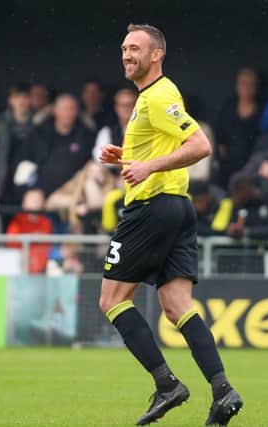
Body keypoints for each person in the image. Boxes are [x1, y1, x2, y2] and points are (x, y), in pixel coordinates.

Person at [97, 24, 242, 426]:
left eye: (135, 49)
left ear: (156, 54)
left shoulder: (160, 95)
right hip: (177, 208)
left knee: (111, 300)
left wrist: (147, 167)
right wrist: (128, 156)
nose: (127, 55)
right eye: (124, 49)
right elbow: (163, 147)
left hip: (152, 208)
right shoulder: (150, 99)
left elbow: (200, 146)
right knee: (178, 307)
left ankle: (167, 385)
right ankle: (222, 390)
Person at [32, 94, 95, 197]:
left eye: (72, 109)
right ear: (55, 111)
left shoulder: (85, 135)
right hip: (41, 189)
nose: (68, 113)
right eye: (64, 109)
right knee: (33, 202)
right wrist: (33, 189)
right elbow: (26, 163)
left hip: (74, 190)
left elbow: (90, 164)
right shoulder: (40, 133)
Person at [0, 83, 36, 205]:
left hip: (29, 180)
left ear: (30, 100)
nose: (21, 101)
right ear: (10, 100)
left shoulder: (37, 124)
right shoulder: (0, 124)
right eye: (17, 97)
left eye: (25, 97)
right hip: (5, 180)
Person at [214, 68, 261, 189]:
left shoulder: (263, 110)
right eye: (243, 83)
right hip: (228, 165)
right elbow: (219, 134)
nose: (246, 87)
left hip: (252, 165)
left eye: (251, 84)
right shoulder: (227, 108)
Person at [225, 173, 268, 240]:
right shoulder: (238, 203)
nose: (235, 199)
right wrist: (231, 230)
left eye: (237, 193)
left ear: (247, 188)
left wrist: (247, 232)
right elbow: (228, 226)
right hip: (245, 248)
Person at [6, 189, 54, 273]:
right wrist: (32, 237)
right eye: (32, 200)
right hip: (20, 263)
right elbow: (11, 242)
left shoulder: (46, 222)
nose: (36, 202)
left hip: (40, 263)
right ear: (24, 203)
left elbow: (46, 244)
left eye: (39, 200)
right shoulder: (17, 221)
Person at [92, 88, 137, 163]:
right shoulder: (107, 131)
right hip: (114, 172)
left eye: (130, 104)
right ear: (116, 108)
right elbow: (99, 156)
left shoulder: (148, 130)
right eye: (122, 105)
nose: (126, 108)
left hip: (140, 171)